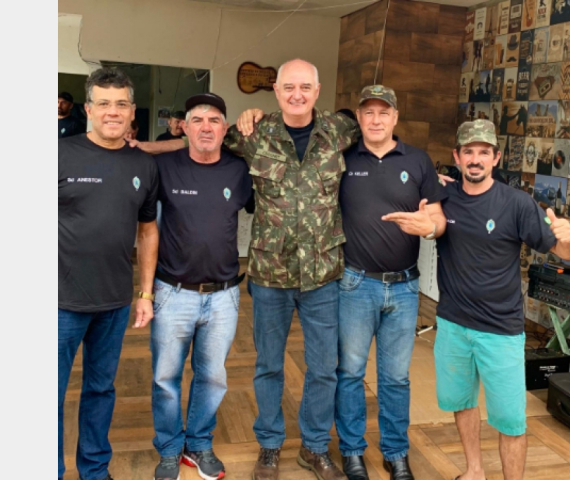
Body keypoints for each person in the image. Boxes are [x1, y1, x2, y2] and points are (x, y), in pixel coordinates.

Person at [130, 58, 360, 480]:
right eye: (288, 87)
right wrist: (143, 148)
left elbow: (381, 144)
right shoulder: (254, 133)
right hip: (270, 275)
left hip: (323, 275)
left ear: (317, 89)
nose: (296, 94)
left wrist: (430, 180)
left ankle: (314, 447)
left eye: (305, 87)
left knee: (324, 368)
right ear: (276, 90)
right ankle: (269, 445)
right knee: (268, 365)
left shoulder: (340, 130)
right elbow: (199, 142)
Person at [434, 119, 570, 480]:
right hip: (452, 324)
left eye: (484, 152)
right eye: (468, 151)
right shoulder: (443, 198)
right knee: (461, 402)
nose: (476, 159)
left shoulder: (517, 204)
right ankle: (474, 471)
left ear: (496, 158)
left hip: (500, 330)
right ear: (457, 156)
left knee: (511, 420)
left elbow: (565, 253)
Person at [335, 85, 447, 480]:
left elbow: (438, 218)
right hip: (355, 284)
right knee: (350, 372)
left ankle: (396, 453)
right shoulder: (343, 159)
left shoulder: (417, 161)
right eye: (368, 112)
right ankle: (352, 451)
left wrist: (428, 227)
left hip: (405, 287)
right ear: (359, 118)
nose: (376, 119)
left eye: (384, 112)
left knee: (396, 377)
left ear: (395, 117)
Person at [58, 68, 159, 480]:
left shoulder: (144, 165)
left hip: (114, 303)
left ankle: (95, 470)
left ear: (132, 111)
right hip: (58, 302)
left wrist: (146, 293)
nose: (112, 112)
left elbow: (148, 230)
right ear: (88, 109)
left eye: (120, 104)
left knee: (100, 390)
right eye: (103, 103)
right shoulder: (58, 153)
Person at [149, 93, 254, 480]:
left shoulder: (239, 171)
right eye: (197, 120)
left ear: (225, 130)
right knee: (166, 378)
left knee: (212, 376)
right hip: (172, 292)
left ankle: (198, 444)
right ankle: (169, 448)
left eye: (214, 121)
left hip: (224, 295)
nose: (206, 127)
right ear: (184, 128)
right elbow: (144, 225)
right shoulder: (163, 167)